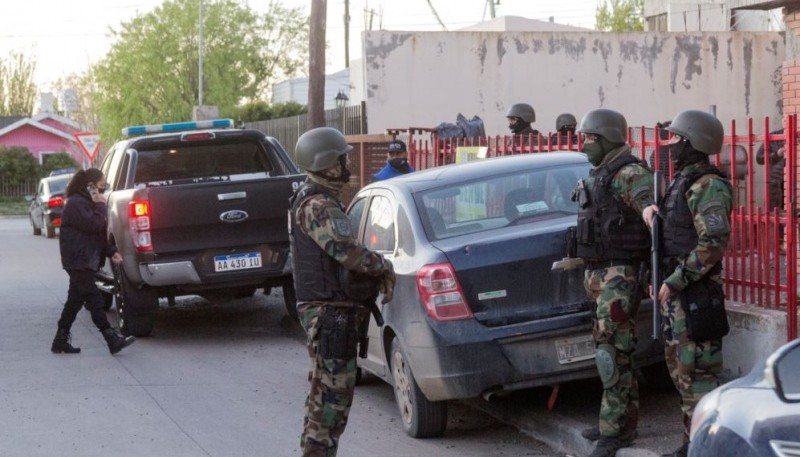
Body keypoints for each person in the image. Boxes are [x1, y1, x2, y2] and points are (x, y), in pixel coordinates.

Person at [289, 127, 396, 457]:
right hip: (329, 315)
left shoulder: (316, 200)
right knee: (328, 408)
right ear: (326, 163)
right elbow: (348, 253)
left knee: (329, 404)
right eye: (341, 158)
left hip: (331, 314)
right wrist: (383, 267)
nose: (346, 164)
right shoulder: (319, 205)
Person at [642, 110, 733, 457]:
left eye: (677, 139)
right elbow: (676, 233)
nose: (671, 146)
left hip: (695, 294)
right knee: (681, 373)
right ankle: (692, 443)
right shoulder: (683, 181)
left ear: (694, 143)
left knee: (698, 376)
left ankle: (706, 447)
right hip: (678, 293)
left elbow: (712, 242)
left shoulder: (707, 185)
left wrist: (677, 280)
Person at [573, 108, 653, 457]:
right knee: (611, 352)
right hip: (600, 274)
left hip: (620, 276)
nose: (585, 145)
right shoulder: (601, 173)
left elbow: (652, 212)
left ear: (607, 139)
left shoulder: (629, 173)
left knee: (612, 353)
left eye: (590, 139)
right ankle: (618, 423)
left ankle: (616, 432)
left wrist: (650, 212)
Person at [51, 168, 136, 355]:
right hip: (78, 260)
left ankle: (60, 340)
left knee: (74, 302)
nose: (103, 188)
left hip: (84, 260)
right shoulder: (76, 203)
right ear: (90, 186)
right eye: (101, 184)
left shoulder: (87, 203)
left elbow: (97, 234)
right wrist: (100, 205)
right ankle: (111, 339)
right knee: (95, 300)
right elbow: (93, 225)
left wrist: (111, 251)